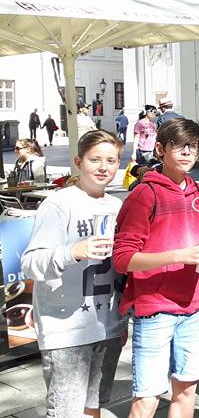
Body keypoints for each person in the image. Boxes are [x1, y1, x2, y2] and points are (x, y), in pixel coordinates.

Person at [113, 118, 199, 418]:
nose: (187, 152)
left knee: (186, 390)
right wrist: (179, 256)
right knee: (147, 397)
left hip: (193, 308)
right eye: (179, 146)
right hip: (154, 309)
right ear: (160, 149)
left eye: (193, 147)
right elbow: (122, 258)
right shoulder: (144, 194)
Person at [20, 130, 127, 418]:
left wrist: (122, 318)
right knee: (66, 411)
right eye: (95, 160)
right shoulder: (59, 204)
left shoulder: (118, 206)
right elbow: (30, 263)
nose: (103, 167)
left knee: (94, 406)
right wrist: (73, 251)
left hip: (107, 325)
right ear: (79, 162)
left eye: (111, 160)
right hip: (65, 330)